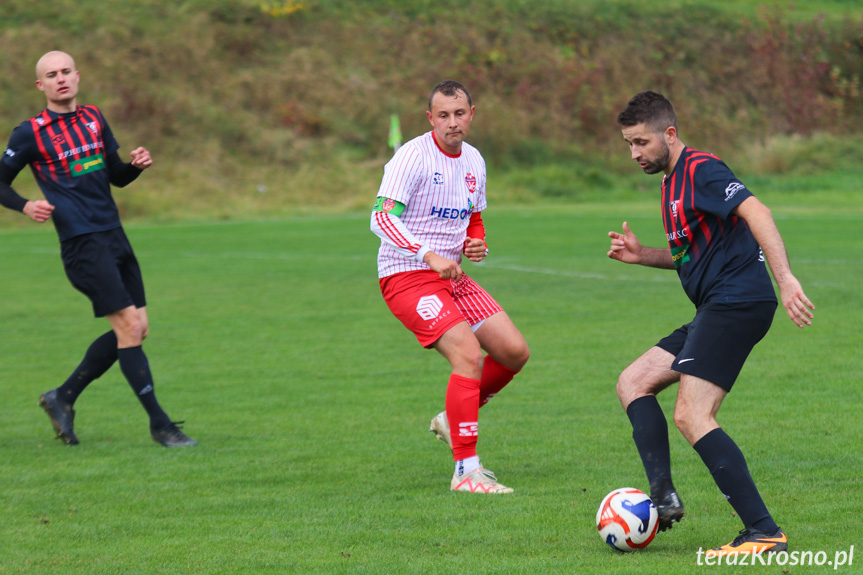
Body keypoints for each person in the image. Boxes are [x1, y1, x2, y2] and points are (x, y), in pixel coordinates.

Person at [608, 91, 814, 555]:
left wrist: (785, 280)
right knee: (633, 382)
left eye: (641, 142)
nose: (635, 153)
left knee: (691, 413)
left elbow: (757, 211)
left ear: (670, 134)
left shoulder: (701, 169)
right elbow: (688, 256)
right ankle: (662, 496)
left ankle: (763, 530)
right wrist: (643, 256)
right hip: (714, 306)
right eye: (628, 144)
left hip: (738, 301)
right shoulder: (669, 186)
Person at [0, 51, 196, 447]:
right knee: (127, 327)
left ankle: (63, 396)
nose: (60, 79)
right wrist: (25, 205)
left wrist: (136, 166)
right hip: (82, 243)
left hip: (114, 236)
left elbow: (116, 176)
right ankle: (161, 425)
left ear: (77, 76)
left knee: (138, 330)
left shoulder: (93, 118)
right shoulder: (30, 133)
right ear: (41, 86)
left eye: (66, 72)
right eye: (51, 75)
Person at [370, 80, 529, 494]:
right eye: (443, 115)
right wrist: (429, 255)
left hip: (452, 277)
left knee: (513, 352)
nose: (452, 123)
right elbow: (381, 219)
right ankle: (466, 471)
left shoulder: (474, 160)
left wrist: (477, 242)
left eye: (459, 114)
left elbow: (473, 218)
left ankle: (452, 417)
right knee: (468, 354)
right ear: (430, 118)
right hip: (406, 275)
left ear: (471, 114)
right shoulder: (412, 157)